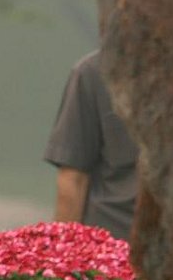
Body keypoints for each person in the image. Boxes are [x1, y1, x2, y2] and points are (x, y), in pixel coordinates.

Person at [42, 49, 139, 241]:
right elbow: (73, 179)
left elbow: (73, 180)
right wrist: (65, 251)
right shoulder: (92, 73)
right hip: (110, 243)